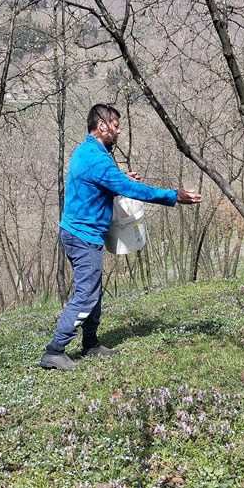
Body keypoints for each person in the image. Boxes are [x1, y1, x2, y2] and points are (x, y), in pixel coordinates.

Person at [39, 104, 203, 370]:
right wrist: (174, 196)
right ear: (102, 125)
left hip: (77, 232)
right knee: (86, 295)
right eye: (115, 125)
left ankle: (90, 343)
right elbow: (128, 189)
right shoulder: (96, 159)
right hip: (83, 236)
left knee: (92, 291)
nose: (118, 131)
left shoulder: (88, 152)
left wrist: (118, 179)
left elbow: (99, 186)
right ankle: (55, 350)